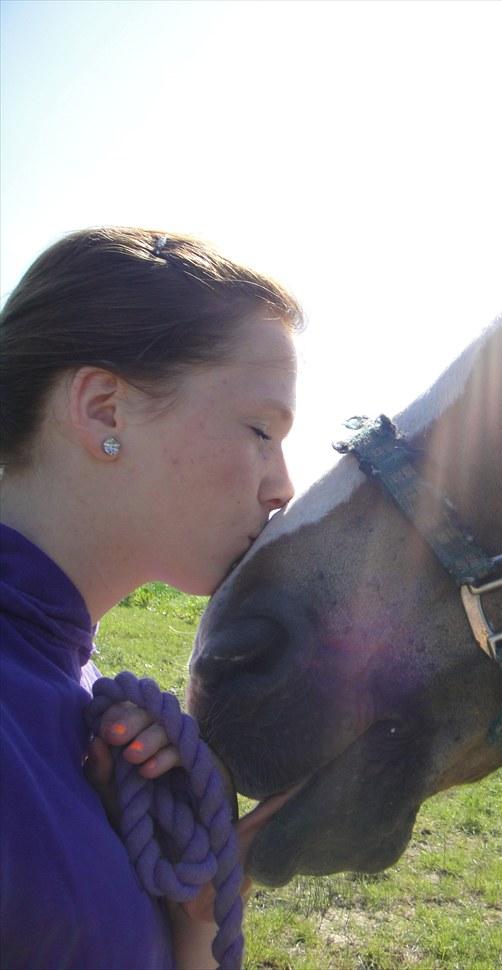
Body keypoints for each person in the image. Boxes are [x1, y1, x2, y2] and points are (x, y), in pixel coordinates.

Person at [0, 227, 302, 969]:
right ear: (105, 410)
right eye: (262, 429)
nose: (282, 485)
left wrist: (192, 920)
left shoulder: (87, 711)